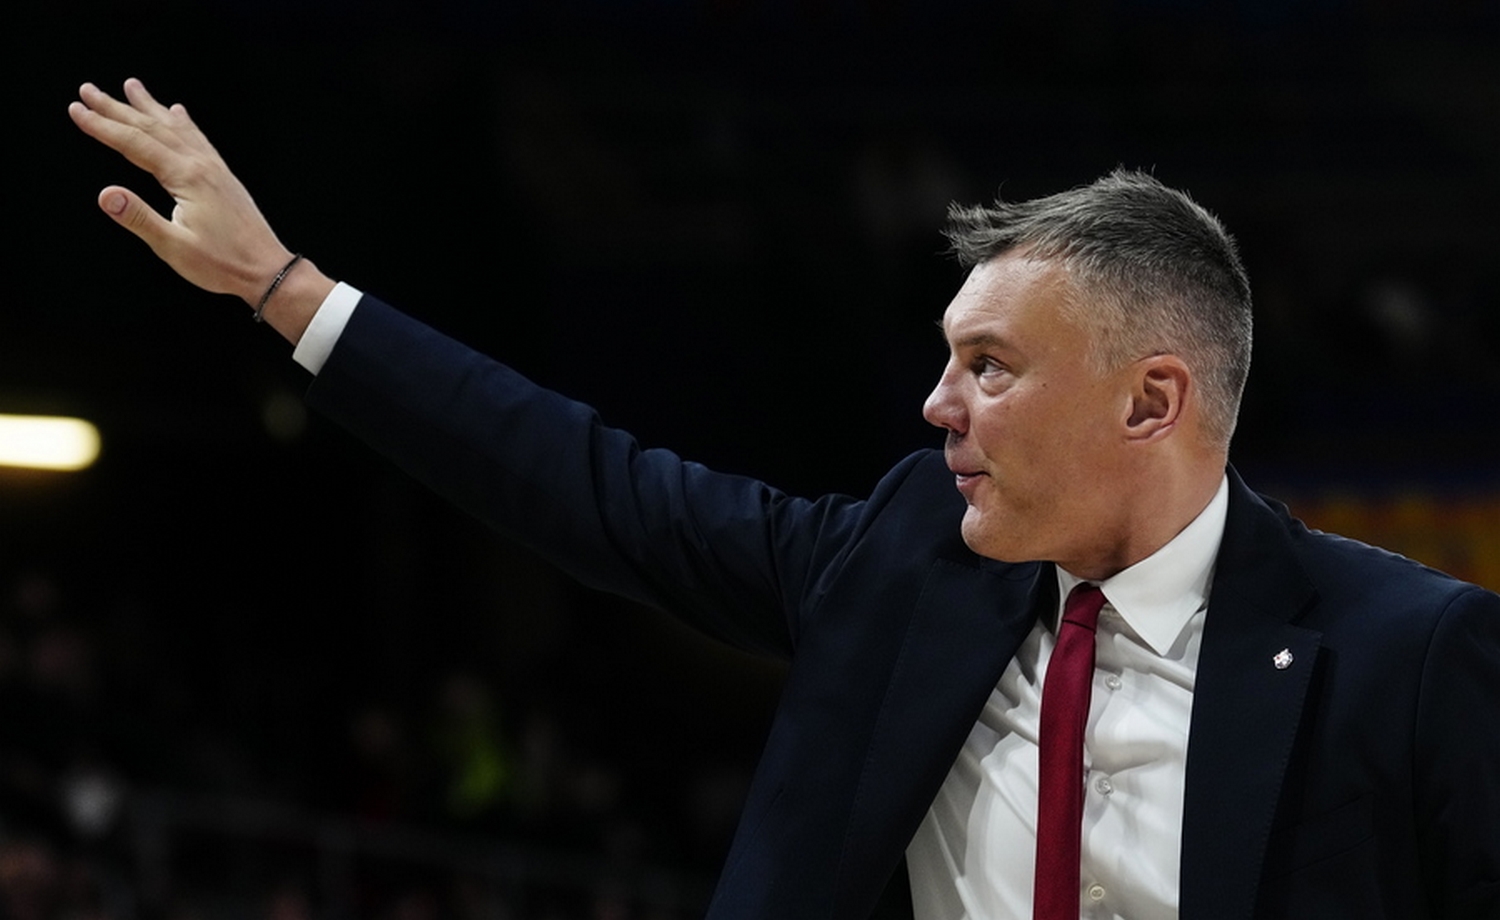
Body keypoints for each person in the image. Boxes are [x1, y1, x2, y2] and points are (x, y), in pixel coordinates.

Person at [70, 79, 1500, 920]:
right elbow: (591, 486)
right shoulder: (905, 558)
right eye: (946, 361)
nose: (937, 407)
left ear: (1152, 401)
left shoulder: (1409, 656)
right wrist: (284, 290)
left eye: (988, 368)